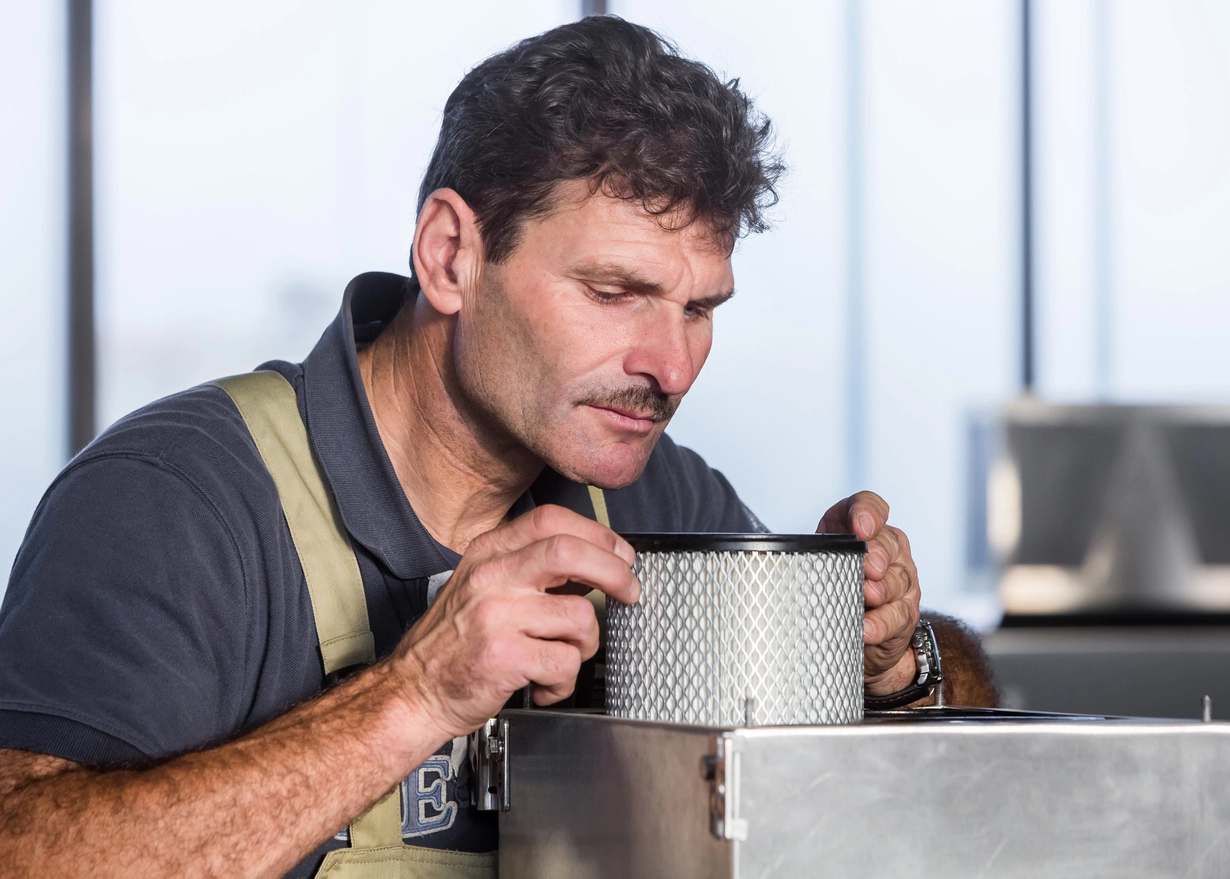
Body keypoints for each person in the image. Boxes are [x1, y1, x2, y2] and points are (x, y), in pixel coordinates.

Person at [0, 16, 997, 879]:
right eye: (614, 292)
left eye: (699, 309)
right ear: (451, 257)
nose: (671, 367)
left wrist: (890, 664)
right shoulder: (176, 500)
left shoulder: (652, 501)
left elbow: (945, 777)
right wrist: (416, 694)